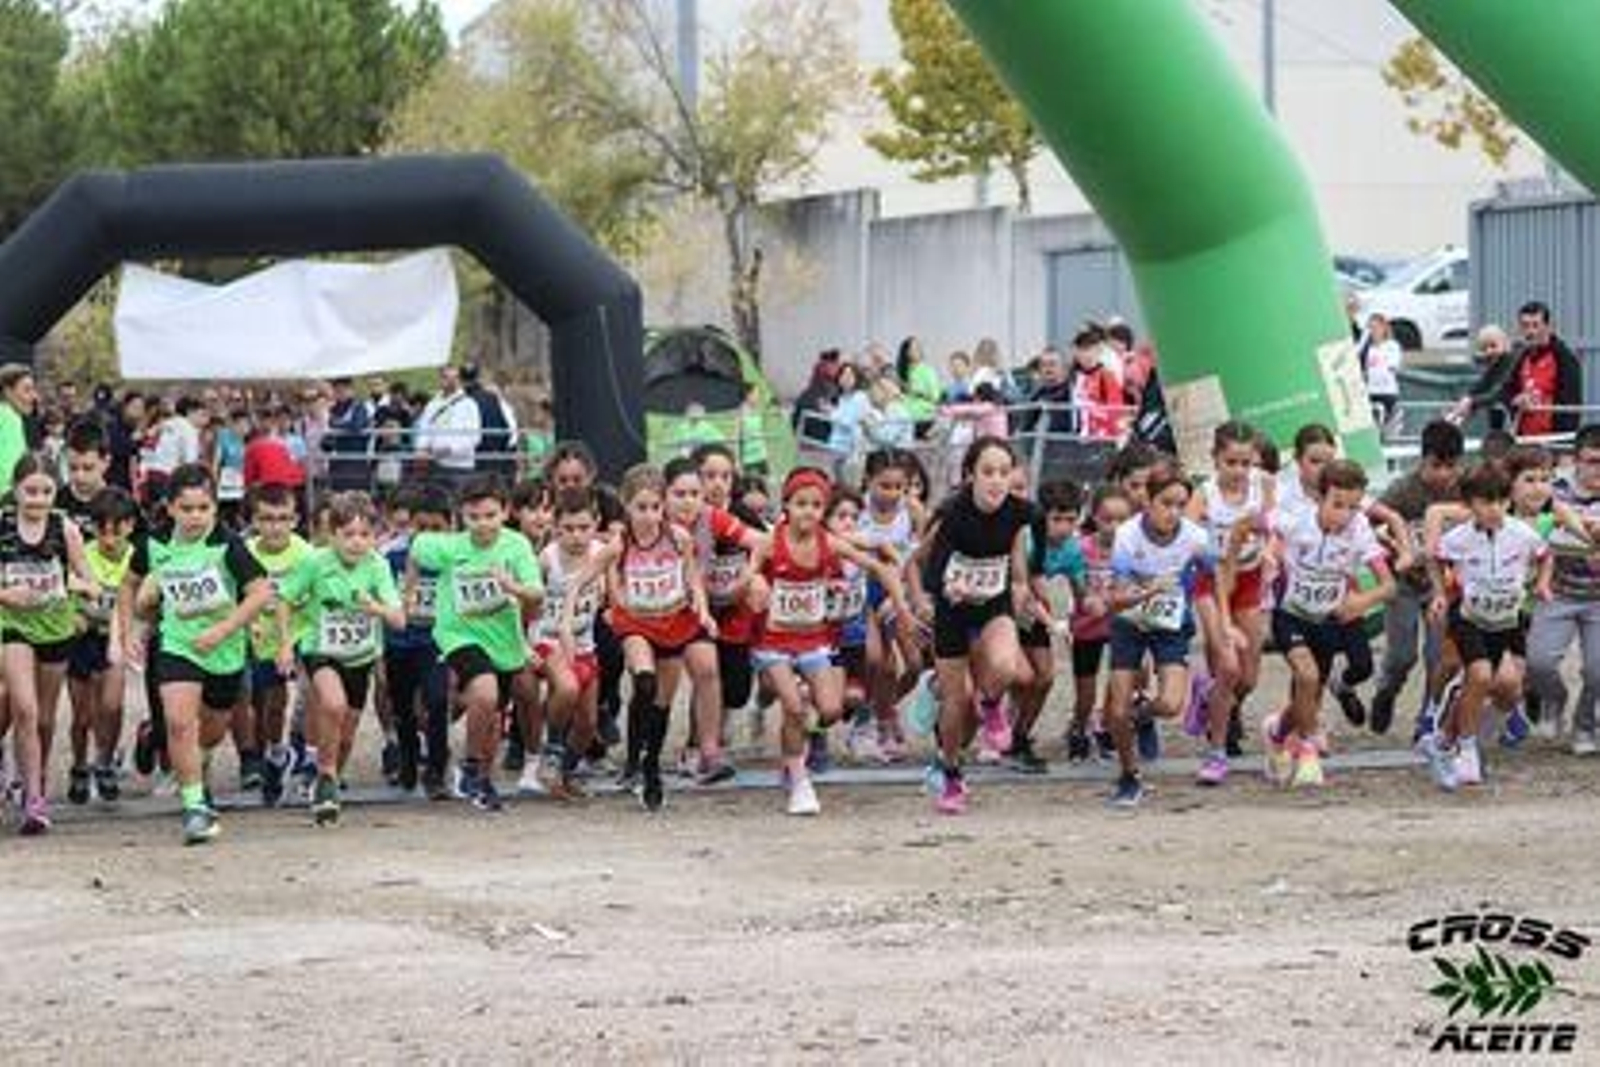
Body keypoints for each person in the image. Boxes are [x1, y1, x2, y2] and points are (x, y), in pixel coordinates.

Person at [118, 463, 275, 845]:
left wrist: (222, 630)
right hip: (178, 643)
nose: (195, 517)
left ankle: (195, 768)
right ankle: (195, 807)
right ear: (170, 508)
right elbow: (129, 582)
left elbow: (260, 593)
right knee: (178, 721)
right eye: (186, 509)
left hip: (225, 650)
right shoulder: (153, 543)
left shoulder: (227, 544)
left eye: (203, 508)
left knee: (211, 731)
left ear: (215, 508)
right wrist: (126, 632)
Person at [562, 464, 716, 812]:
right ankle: (635, 758)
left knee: (662, 702)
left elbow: (693, 580)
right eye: (641, 508)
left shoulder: (678, 538)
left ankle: (649, 767)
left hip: (674, 619)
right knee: (644, 681)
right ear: (626, 506)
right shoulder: (619, 544)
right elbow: (579, 581)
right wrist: (568, 621)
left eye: (655, 507)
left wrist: (703, 612)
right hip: (636, 622)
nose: (649, 516)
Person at [908, 437, 1036, 815]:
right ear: (970, 476)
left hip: (993, 606)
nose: (997, 481)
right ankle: (950, 772)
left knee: (1007, 665)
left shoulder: (1015, 516)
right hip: (952, 612)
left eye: (1004, 472)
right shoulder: (951, 515)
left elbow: (1017, 571)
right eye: (988, 472)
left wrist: (1021, 590)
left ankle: (992, 704)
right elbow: (915, 564)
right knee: (956, 702)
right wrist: (920, 601)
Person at [408, 477, 543, 811]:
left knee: (494, 719)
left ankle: (482, 780)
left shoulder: (517, 547)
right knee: (484, 692)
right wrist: (410, 590)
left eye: (490, 515)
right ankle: (469, 765)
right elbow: (416, 546)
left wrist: (514, 587)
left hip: (503, 642)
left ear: (505, 512)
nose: (482, 524)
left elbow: (537, 592)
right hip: (458, 635)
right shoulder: (449, 547)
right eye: (473, 517)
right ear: (461, 517)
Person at [1263, 460, 1395, 790]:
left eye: (1352, 506)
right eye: (1337, 504)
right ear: (1320, 499)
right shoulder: (1297, 519)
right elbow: (1272, 532)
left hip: (1326, 621)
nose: (1344, 514)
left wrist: (1360, 602)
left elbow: (1388, 585)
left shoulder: (1360, 528)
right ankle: (1307, 752)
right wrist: (1270, 556)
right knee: (1306, 676)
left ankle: (1277, 731)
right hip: (1290, 614)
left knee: (1309, 694)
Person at [275, 491, 405, 825]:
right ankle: (326, 776)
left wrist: (373, 608)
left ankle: (328, 785)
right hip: (321, 650)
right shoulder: (315, 562)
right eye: (348, 535)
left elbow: (398, 618)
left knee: (346, 735)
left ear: (375, 537)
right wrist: (286, 644)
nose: (356, 543)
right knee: (332, 705)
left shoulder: (377, 566)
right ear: (331, 535)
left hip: (360, 657)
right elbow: (285, 600)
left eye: (364, 535)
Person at [1419, 463, 1551, 791]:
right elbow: (1434, 558)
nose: (1494, 509)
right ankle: (1466, 748)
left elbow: (1546, 555)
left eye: (1501, 501)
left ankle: (1444, 739)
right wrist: (1438, 595)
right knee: (1479, 675)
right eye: (1485, 502)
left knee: (1508, 689)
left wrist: (1543, 584)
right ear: (1469, 505)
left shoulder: (1522, 533)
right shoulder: (1459, 538)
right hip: (1470, 619)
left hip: (1507, 622)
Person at [1103, 460, 1214, 807]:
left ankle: (1143, 717)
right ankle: (1129, 775)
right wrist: (1147, 592)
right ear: (1148, 502)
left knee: (1169, 703)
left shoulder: (1195, 537)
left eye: (1181, 505)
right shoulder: (1127, 535)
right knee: (1116, 710)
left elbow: (1212, 576)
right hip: (1130, 623)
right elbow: (1116, 600)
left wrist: (1215, 620)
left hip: (1170, 626)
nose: (1174, 512)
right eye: (1166, 503)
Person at [0, 453, 100, 834]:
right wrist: (7, 596)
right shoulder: (3, 525)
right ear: (15, 490)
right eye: (30, 491)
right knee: (23, 708)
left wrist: (71, 586)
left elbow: (90, 583)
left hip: (55, 629)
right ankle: (34, 801)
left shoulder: (66, 529)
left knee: (43, 718)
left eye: (45, 491)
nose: (38, 499)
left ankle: (34, 778)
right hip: (13, 626)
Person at [1366, 421, 1463, 737]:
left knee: (1439, 655)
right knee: (1401, 655)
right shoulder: (1403, 490)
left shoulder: (1463, 489)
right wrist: (1395, 546)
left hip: (1443, 585)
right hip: (1406, 584)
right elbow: (1371, 524)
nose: (1444, 474)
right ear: (1422, 459)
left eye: (1451, 466)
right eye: (1436, 465)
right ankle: (1386, 691)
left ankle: (1428, 718)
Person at [1526, 424, 1600, 752]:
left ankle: (1585, 727)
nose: (1598, 469)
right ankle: (1554, 700)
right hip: (1557, 590)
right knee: (1539, 662)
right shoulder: (1552, 491)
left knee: (1598, 670)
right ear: (1575, 460)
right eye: (1593, 461)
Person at [67, 488, 137, 807]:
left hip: (116, 637)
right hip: (83, 639)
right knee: (82, 715)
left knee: (110, 706)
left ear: (130, 526)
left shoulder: (135, 557)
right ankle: (80, 765)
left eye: (116, 529)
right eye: (102, 529)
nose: (109, 537)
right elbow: (70, 596)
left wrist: (128, 635)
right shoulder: (84, 555)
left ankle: (105, 760)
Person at [414, 365, 482, 490]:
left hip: (460, 466)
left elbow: (475, 437)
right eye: (445, 377)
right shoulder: (433, 404)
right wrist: (421, 448)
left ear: (459, 380)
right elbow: (424, 428)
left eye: (454, 378)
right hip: (435, 465)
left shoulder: (469, 404)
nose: (449, 381)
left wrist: (451, 449)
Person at [1449, 325, 1516, 431]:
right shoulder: (1496, 363)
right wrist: (1466, 399)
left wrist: (1472, 402)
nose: (1489, 351)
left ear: (1504, 344)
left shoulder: (1510, 363)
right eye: (1484, 348)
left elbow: (1498, 392)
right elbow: (1482, 384)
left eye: (1493, 346)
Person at [463, 363, 518, 487]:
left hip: (478, 460)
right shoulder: (492, 398)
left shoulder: (464, 400)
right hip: (497, 457)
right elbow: (507, 432)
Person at [323, 378, 373, 492]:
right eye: (337, 390)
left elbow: (357, 426)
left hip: (356, 461)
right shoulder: (334, 409)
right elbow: (331, 430)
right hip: (338, 462)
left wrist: (338, 426)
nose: (339, 393)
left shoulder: (359, 407)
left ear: (351, 390)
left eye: (342, 390)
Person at [0, 365, 40, 498]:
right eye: (27, 390)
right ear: (8, 391)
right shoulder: (9, 418)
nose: (34, 396)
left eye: (34, 389)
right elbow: (8, 475)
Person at [1361, 313, 1402, 430]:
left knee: (1384, 423)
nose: (1373, 331)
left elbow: (1393, 366)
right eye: (1370, 328)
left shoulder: (1392, 346)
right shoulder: (1367, 348)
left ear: (1383, 328)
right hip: (1370, 391)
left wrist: (1381, 364)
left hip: (1387, 391)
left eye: (1376, 328)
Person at [896, 336, 943, 438]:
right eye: (914, 348)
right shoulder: (902, 371)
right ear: (906, 352)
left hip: (923, 416)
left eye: (919, 347)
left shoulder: (928, 371)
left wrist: (915, 392)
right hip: (905, 417)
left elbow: (936, 397)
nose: (918, 351)